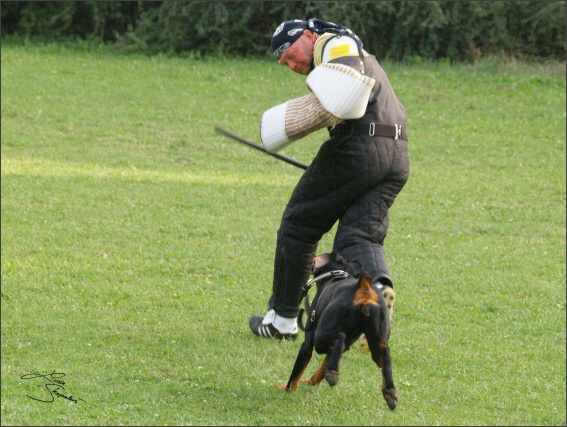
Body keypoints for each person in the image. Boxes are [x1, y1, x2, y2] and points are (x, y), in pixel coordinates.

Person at [249, 18, 409, 340]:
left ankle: (282, 320)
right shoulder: (357, 52)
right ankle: (377, 294)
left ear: (309, 36)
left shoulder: (335, 44)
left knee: (299, 224)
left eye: (292, 54)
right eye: (285, 63)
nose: (292, 65)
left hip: (361, 147)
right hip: (397, 153)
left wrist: (283, 126)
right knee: (359, 237)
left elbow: (340, 100)